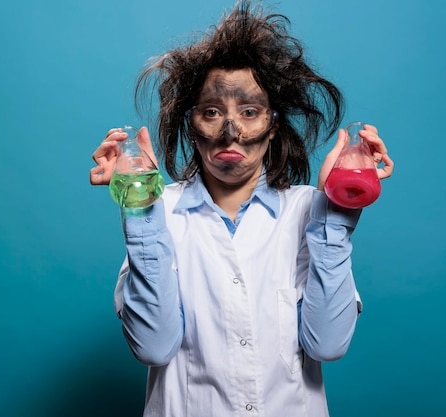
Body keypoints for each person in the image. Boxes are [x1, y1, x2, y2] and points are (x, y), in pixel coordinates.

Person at [90, 1, 393, 416]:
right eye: (212, 112)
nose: (230, 133)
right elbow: (154, 347)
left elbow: (328, 343)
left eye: (249, 112)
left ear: (273, 126)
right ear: (190, 125)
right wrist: (140, 206)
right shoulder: (160, 213)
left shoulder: (311, 210)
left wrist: (338, 211)